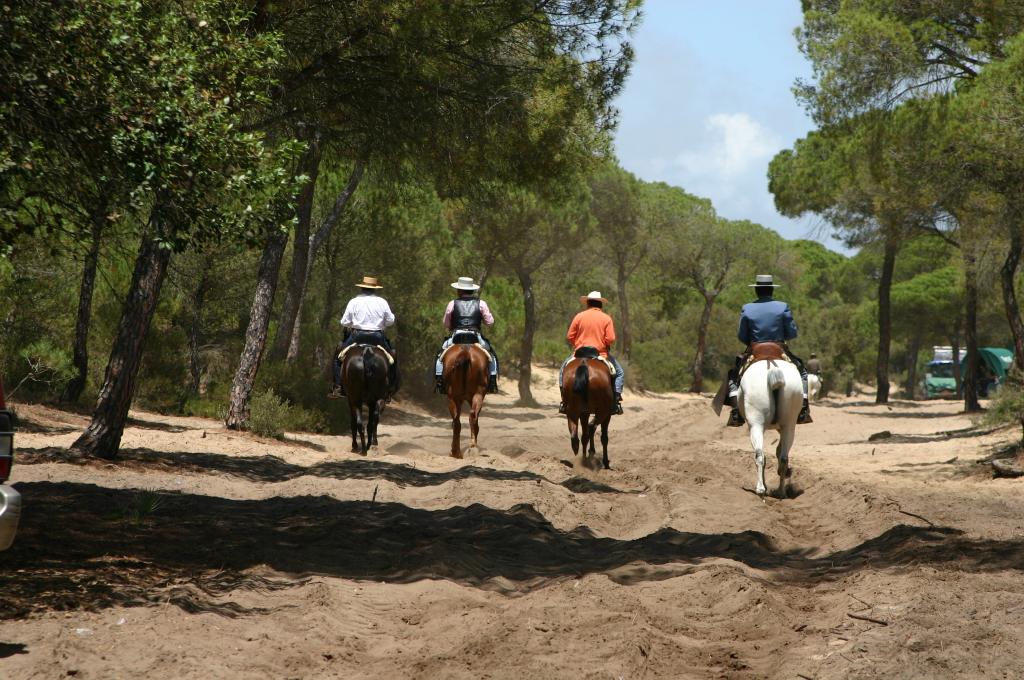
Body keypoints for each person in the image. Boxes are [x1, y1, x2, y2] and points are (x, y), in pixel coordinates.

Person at [725, 274, 812, 426]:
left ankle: (736, 412)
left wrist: (753, 343)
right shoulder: (782, 306)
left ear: (756, 291)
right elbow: (793, 333)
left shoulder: (747, 308)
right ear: (772, 290)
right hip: (778, 349)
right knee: (803, 372)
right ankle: (804, 407)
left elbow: (742, 335)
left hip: (755, 350)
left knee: (733, 375)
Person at [328, 276, 397, 399]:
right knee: (392, 357)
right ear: (375, 289)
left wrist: (353, 323)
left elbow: (344, 322)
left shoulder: (353, 301)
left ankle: (338, 386)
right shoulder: (382, 302)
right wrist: (381, 323)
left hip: (357, 336)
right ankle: (389, 389)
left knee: (338, 357)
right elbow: (391, 321)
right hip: (377, 336)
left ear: (362, 288)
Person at [558, 291, 624, 415]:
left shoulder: (579, 316)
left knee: (563, 371)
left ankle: (564, 402)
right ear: (600, 304)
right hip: (600, 354)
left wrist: (578, 343)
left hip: (579, 353)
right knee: (620, 373)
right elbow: (611, 339)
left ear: (587, 303)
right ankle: (615, 402)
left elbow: (570, 336)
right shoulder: (606, 318)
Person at [434, 276, 500, 394]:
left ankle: (439, 380)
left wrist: (452, 326)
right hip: (475, 336)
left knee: (440, 355)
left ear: (459, 290)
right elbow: (490, 322)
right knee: (492, 356)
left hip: (456, 335)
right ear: (472, 290)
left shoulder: (452, 303)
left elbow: (446, 323)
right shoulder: (481, 303)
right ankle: (492, 382)